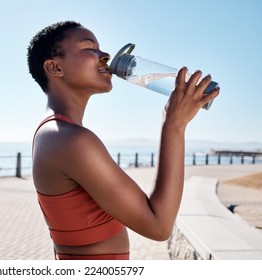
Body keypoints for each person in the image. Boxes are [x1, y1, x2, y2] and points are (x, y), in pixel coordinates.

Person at [26, 21, 219, 260]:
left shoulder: (53, 133)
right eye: (90, 49)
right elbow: (159, 226)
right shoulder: (71, 140)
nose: (105, 55)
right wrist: (174, 124)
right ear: (55, 67)